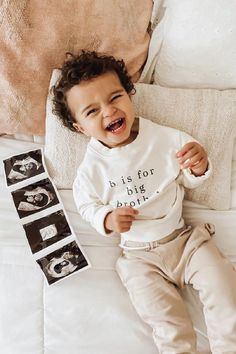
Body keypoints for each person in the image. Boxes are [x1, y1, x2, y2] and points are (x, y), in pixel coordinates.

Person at [52, 51, 236, 353]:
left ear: (129, 94)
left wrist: (199, 166)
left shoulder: (164, 138)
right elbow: (86, 205)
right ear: (79, 128)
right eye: (92, 111)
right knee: (168, 326)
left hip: (185, 241)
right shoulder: (91, 170)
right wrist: (107, 219)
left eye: (115, 97)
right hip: (140, 259)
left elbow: (188, 177)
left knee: (225, 292)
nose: (109, 112)